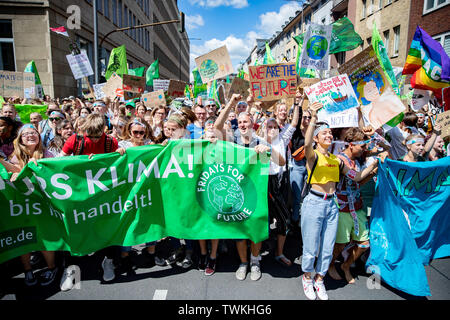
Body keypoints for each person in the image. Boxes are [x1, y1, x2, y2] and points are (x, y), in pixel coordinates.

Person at [300, 102, 379, 300]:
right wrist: (313, 120)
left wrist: (373, 166)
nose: (328, 135)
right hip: (314, 203)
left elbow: (357, 176)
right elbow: (307, 143)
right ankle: (307, 278)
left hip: (332, 205)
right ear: (317, 138)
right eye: (323, 133)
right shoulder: (313, 155)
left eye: (329, 133)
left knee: (327, 247)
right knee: (310, 246)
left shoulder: (337, 161)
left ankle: (319, 279)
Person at [215, 93, 285, 281]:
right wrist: (231, 102)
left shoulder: (260, 143)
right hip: (235, 195)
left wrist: (268, 150)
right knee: (240, 232)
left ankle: (255, 262)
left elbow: (281, 161)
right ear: (238, 124)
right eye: (241, 122)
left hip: (257, 196)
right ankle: (243, 263)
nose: (244, 125)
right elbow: (216, 127)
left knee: (255, 230)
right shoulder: (232, 141)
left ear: (253, 124)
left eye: (247, 122)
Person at [59, 113, 123, 288]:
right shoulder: (75, 141)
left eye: (97, 136)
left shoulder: (110, 142)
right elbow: (58, 162)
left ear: (104, 130)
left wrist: (119, 154)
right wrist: (79, 160)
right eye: (90, 136)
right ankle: (71, 269)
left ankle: (108, 261)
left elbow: (117, 164)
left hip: (103, 194)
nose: (94, 140)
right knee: (75, 229)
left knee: (106, 228)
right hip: (78, 194)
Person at [0, 124, 58, 286]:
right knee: (25, 238)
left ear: (39, 137)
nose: (30, 135)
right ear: (20, 140)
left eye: (33, 132)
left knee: (45, 236)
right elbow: (16, 173)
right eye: (26, 134)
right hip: (22, 205)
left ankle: (51, 267)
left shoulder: (48, 154)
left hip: (43, 204)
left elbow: (57, 173)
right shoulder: (13, 156)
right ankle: (28, 270)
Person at [327, 128, 380, 284]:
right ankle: (330, 265)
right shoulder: (340, 160)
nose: (364, 150)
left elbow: (360, 183)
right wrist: (373, 165)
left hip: (357, 206)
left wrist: (372, 173)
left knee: (364, 244)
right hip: (342, 207)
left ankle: (346, 265)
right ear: (351, 145)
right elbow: (356, 177)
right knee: (340, 243)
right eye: (362, 147)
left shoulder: (356, 160)